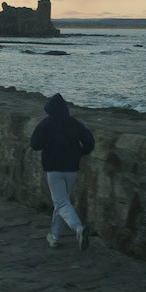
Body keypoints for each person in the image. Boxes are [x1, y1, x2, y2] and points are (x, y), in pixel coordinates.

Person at [30, 93, 95, 250]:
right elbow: (90, 142)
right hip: (71, 168)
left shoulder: (46, 124)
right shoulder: (74, 123)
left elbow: (35, 144)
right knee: (62, 202)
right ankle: (54, 237)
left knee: (61, 202)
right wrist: (81, 153)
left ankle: (78, 229)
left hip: (53, 169)